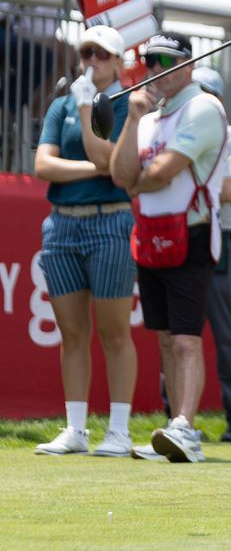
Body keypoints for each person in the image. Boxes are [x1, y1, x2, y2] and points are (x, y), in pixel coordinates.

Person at [111, 32, 227, 463]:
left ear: (187, 65)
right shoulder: (150, 117)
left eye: (164, 60)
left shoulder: (202, 108)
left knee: (185, 340)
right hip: (151, 234)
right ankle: (175, 427)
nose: (154, 70)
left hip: (190, 233)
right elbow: (122, 175)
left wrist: (138, 179)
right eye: (148, 62)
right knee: (163, 339)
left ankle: (187, 429)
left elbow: (159, 173)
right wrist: (130, 120)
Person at [33, 25, 137, 456]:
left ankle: (119, 431)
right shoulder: (61, 106)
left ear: (118, 62)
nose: (91, 60)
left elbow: (109, 160)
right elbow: (43, 165)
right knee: (72, 333)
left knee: (114, 333)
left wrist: (85, 107)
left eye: (101, 54)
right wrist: (98, 169)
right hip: (62, 224)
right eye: (85, 53)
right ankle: (75, 429)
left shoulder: (130, 104)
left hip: (110, 222)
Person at [192, 66, 231, 442]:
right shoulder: (177, 128)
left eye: (210, 95)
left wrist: (185, 182)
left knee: (225, 334)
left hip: (218, 239)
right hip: (181, 237)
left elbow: (228, 191)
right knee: (180, 332)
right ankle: (178, 420)